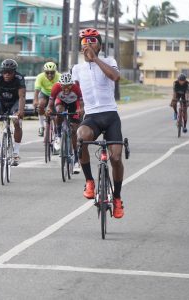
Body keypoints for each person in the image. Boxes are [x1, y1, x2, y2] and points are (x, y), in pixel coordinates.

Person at [72, 27, 125, 219]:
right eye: (84, 41)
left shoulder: (109, 62)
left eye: (92, 40)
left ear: (100, 45)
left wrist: (94, 59)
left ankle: (117, 198)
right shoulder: (77, 69)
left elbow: (115, 77)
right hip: (92, 116)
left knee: (116, 158)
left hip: (110, 115)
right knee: (81, 137)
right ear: (80, 47)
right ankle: (89, 181)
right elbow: (73, 91)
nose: (88, 43)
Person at [0, 59, 25, 166]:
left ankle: (16, 152)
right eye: (4, 72)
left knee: (16, 122)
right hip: (1, 102)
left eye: (10, 72)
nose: (6, 74)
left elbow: (22, 96)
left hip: (15, 102)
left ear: (14, 72)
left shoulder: (19, 78)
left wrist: (20, 111)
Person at [46, 72, 84, 174]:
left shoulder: (76, 88)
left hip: (73, 104)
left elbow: (81, 104)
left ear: (71, 85)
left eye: (68, 86)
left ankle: (76, 160)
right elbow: (50, 104)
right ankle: (58, 135)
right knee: (59, 111)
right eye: (64, 86)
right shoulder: (56, 87)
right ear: (60, 85)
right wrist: (49, 110)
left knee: (74, 130)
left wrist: (80, 110)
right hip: (61, 102)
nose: (66, 89)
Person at [33, 62, 61, 137]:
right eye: (47, 73)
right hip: (45, 93)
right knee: (41, 104)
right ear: (44, 72)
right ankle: (41, 126)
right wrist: (35, 100)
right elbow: (37, 90)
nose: (50, 75)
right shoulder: (40, 77)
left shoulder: (59, 76)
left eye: (52, 73)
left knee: (58, 110)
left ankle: (57, 128)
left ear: (55, 72)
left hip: (56, 95)